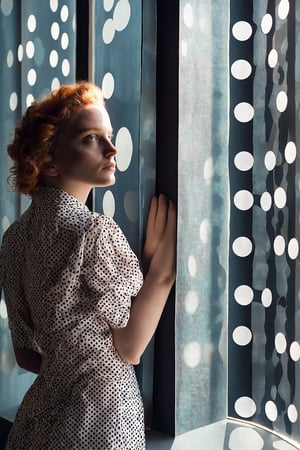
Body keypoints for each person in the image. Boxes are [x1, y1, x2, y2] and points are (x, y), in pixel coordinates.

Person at [0, 81, 176, 449]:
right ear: (49, 160)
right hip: (103, 416)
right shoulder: (94, 230)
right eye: (90, 138)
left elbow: (27, 356)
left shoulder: (14, 240)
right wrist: (162, 271)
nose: (112, 149)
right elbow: (129, 348)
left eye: (109, 136)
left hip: (38, 421)